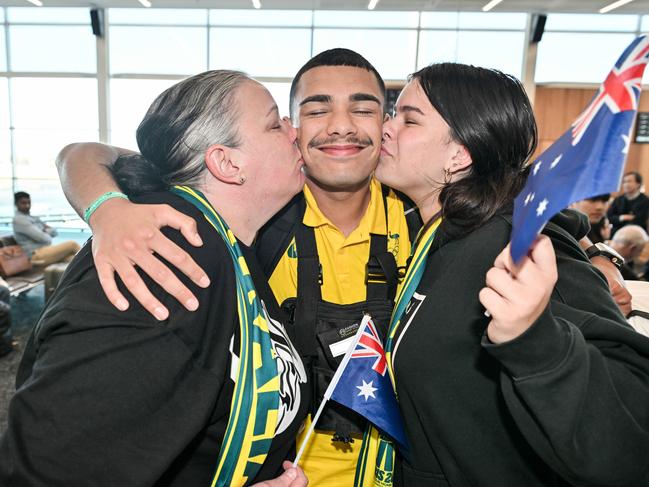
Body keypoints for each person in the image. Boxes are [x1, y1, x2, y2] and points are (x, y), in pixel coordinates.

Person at [54, 50, 633, 485]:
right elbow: (104, 155)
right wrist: (106, 210)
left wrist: (590, 256)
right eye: (313, 109)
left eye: (374, 109)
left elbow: (511, 203)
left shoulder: (429, 220)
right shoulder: (254, 222)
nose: (346, 125)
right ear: (292, 129)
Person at [0, 70, 309, 487]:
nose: (295, 131)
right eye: (275, 123)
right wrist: (106, 206)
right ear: (226, 162)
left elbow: (91, 153)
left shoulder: (226, 240)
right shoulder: (164, 258)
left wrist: (105, 203)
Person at [375, 62, 649, 486]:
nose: (386, 128)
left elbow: (633, 424)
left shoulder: (518, 247)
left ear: (459, 154)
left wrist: (536, 341)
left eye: (409, 119)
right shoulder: (435, 234)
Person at [12, 191, 81, 266]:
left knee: (73, 258)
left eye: (29, 202)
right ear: (16, 204)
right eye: (23, 203)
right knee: (72, 244)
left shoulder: (34, 218)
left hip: (45, 250)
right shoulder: (19, 220)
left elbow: (55, 232)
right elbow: (45, 239)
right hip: (35, 255)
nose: (27, 205)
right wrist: (44, 231)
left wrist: (43, 231)